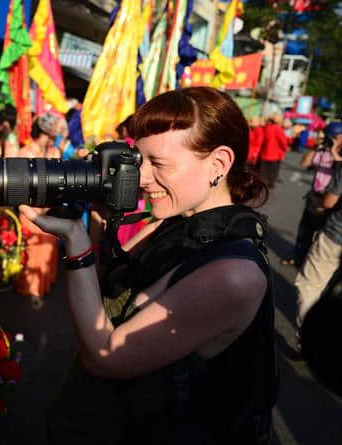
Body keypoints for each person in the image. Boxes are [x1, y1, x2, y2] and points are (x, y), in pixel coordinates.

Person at [21, 87, 277, 444]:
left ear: (218, 164)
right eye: (140, 163)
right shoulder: (177, 221)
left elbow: (105, 357)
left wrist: (75, 242)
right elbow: (105, 294)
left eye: (158, 164)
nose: (142, 179)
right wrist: (98, 217)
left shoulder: (234, 276)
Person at [294, 122, 342, 334]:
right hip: (316, 203)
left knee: (311, 281)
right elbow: (304, 163)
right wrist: (322, 148)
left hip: (333, 221)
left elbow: (331, 201)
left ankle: (307, 335)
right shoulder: (323, 152)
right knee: (305, 236)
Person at [15, 115, 61, 305]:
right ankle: (32, 289)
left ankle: (44, 284)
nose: (50, 139)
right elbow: (16, 185)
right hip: (29, 210)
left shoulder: (55, 152)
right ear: (39, 133)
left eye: (51, 135)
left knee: (48, 249)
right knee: (31, 251)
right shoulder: (24, 153)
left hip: (50, 210)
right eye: (47, 134)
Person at [282, 125, 337, 267]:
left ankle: (313, 264)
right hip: (314, 196)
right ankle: (299, 258)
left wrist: (336, 152)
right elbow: (304, 162)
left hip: (329, 200)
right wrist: (317, 147)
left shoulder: (339, 158)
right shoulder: (322, 152)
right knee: (305, 230)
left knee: (322, 236)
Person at [259, 114, 288, 188]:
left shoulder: (267, 128)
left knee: (264, 169)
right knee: (273, 170)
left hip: (265, 151)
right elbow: (283, 141)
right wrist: (285, 148)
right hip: (275, 153)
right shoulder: (278, 129)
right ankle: (271, 182)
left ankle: (263, 181)